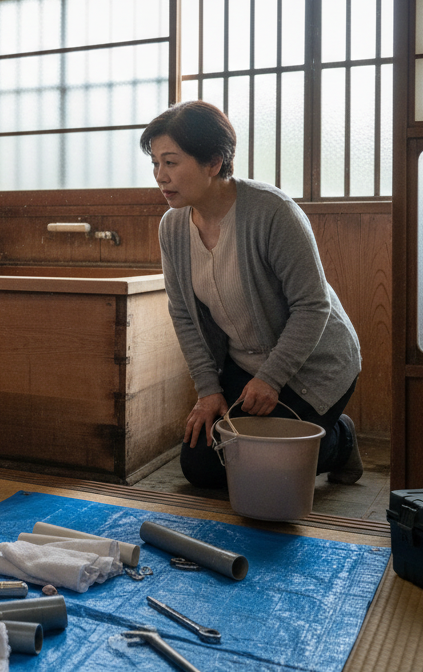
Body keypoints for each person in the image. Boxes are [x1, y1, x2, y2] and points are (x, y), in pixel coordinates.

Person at [140, 100, 364, 489]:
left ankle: (340, 440)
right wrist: (208, 389)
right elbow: (183, 315)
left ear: (213, 162)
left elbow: (313, 307)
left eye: (171, 162)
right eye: (155, 163)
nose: (160, 176)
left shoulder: (273, 212)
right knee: (201, 467)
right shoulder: (172, 227)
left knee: (263, 470)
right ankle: (317, 437)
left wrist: (272, 379)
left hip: (313, 365)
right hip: (244, 367)